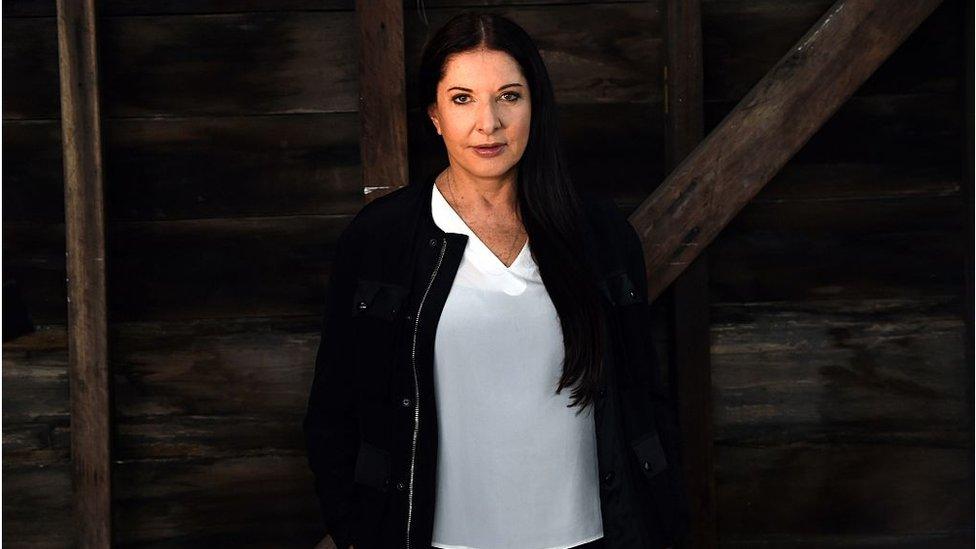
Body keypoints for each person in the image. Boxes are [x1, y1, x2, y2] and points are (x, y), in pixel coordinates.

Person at [304, 11, 690, 549]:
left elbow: (646, 401)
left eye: (509, 96)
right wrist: (354, 529)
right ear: (435, 114)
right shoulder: (381, 240)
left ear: (536, 106)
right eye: (463, 99)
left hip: (589, 538)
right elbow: (333, 412)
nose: (488, 123)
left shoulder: (602, 235)